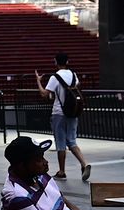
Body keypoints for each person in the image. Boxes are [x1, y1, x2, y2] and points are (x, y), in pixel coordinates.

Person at [39, 52, 92, 183]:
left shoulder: (54, 77)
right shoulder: (73, 75)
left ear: (55, 62)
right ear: (67, 62)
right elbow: (76, 87)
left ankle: (62, 171)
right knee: (72, 140)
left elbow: (44, 94)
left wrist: (38, 82)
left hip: (59, 112)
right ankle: (84, 164)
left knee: (61, 142)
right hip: (73, 111)